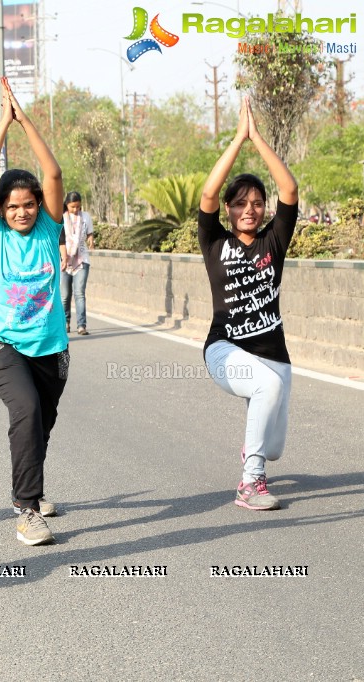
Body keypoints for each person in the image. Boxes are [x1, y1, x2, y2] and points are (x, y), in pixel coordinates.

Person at [0, 78, 66, 546]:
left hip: (50, 346)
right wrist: (1, 128)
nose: (22, 212)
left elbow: (52, 175)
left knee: (42, 423)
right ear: (1, 210)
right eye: (13, 207)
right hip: (1, 343)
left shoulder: (50, 231)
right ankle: (26, 510)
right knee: (27, 411)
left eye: (29, 206)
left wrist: (26, 120)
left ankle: (36, 488)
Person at [199, 96, 298, 512]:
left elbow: (290, 189)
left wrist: (257, 137)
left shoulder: (273, 240)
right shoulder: (214, 241)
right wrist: (238, 138)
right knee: (266, 388)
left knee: (274, 447)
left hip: (274, 355)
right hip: (224, 348)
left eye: (257, 203)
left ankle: (256, 455)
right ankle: (249, 483)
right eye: (240, 203)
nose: (249, 209)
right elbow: (207, 192)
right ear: (228, 209)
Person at [59, 191, 94, 335]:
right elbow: (60, 240)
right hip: (64, 260)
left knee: (79, 293)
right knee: (65, 295)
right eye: (73, 207)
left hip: (82, 259)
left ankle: (81, 325)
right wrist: (64, 258)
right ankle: (65, 322)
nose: (75, 210)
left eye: (78, 207)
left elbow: (90, 233)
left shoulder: (85, 217)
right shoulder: (61, 218)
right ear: (67, 205)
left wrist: (91, 239)